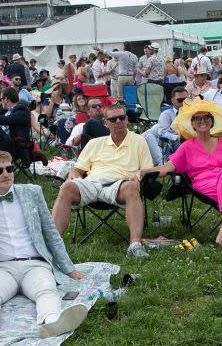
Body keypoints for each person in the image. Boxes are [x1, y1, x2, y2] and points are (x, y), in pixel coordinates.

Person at [0, 151, 88, 342]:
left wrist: (68, 268)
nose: (6, 173)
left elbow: (50, 232)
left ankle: (52, 322)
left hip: (35, 264)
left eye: (9, 168)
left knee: (46, 290)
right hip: (1, 266)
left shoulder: (32, 192)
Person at [139, 100, 222, 244]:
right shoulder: (187, 147)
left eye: (206, 117)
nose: (202, 121)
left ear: (212, 121)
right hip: (206, 184)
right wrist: (142, 172)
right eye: (197, 118)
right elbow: (165, 169)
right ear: (192, 124)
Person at [51, 104, 153, 257]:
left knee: (132, 187)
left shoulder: (139, 141)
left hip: (119, 185)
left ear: (127, 120)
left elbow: (147, 169)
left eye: (122, 118)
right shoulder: (94, 143)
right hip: (91, 183)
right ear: (106, 123)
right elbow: (77, 170)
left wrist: (139, 174)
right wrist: (74, 178)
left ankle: (135, 245)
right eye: (113, 119)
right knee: (67, 188)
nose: (118, 122)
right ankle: (53, 245)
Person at [142, 86, 186, 165]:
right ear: (172, 100)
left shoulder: (192, 113)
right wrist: (177, 137)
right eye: (180, 100)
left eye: (186, 100)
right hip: (168, 142)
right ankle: (161, 163)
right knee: (150, 135)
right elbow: (162, 133)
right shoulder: (167, 114)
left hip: (184, 141)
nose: (183, 102)